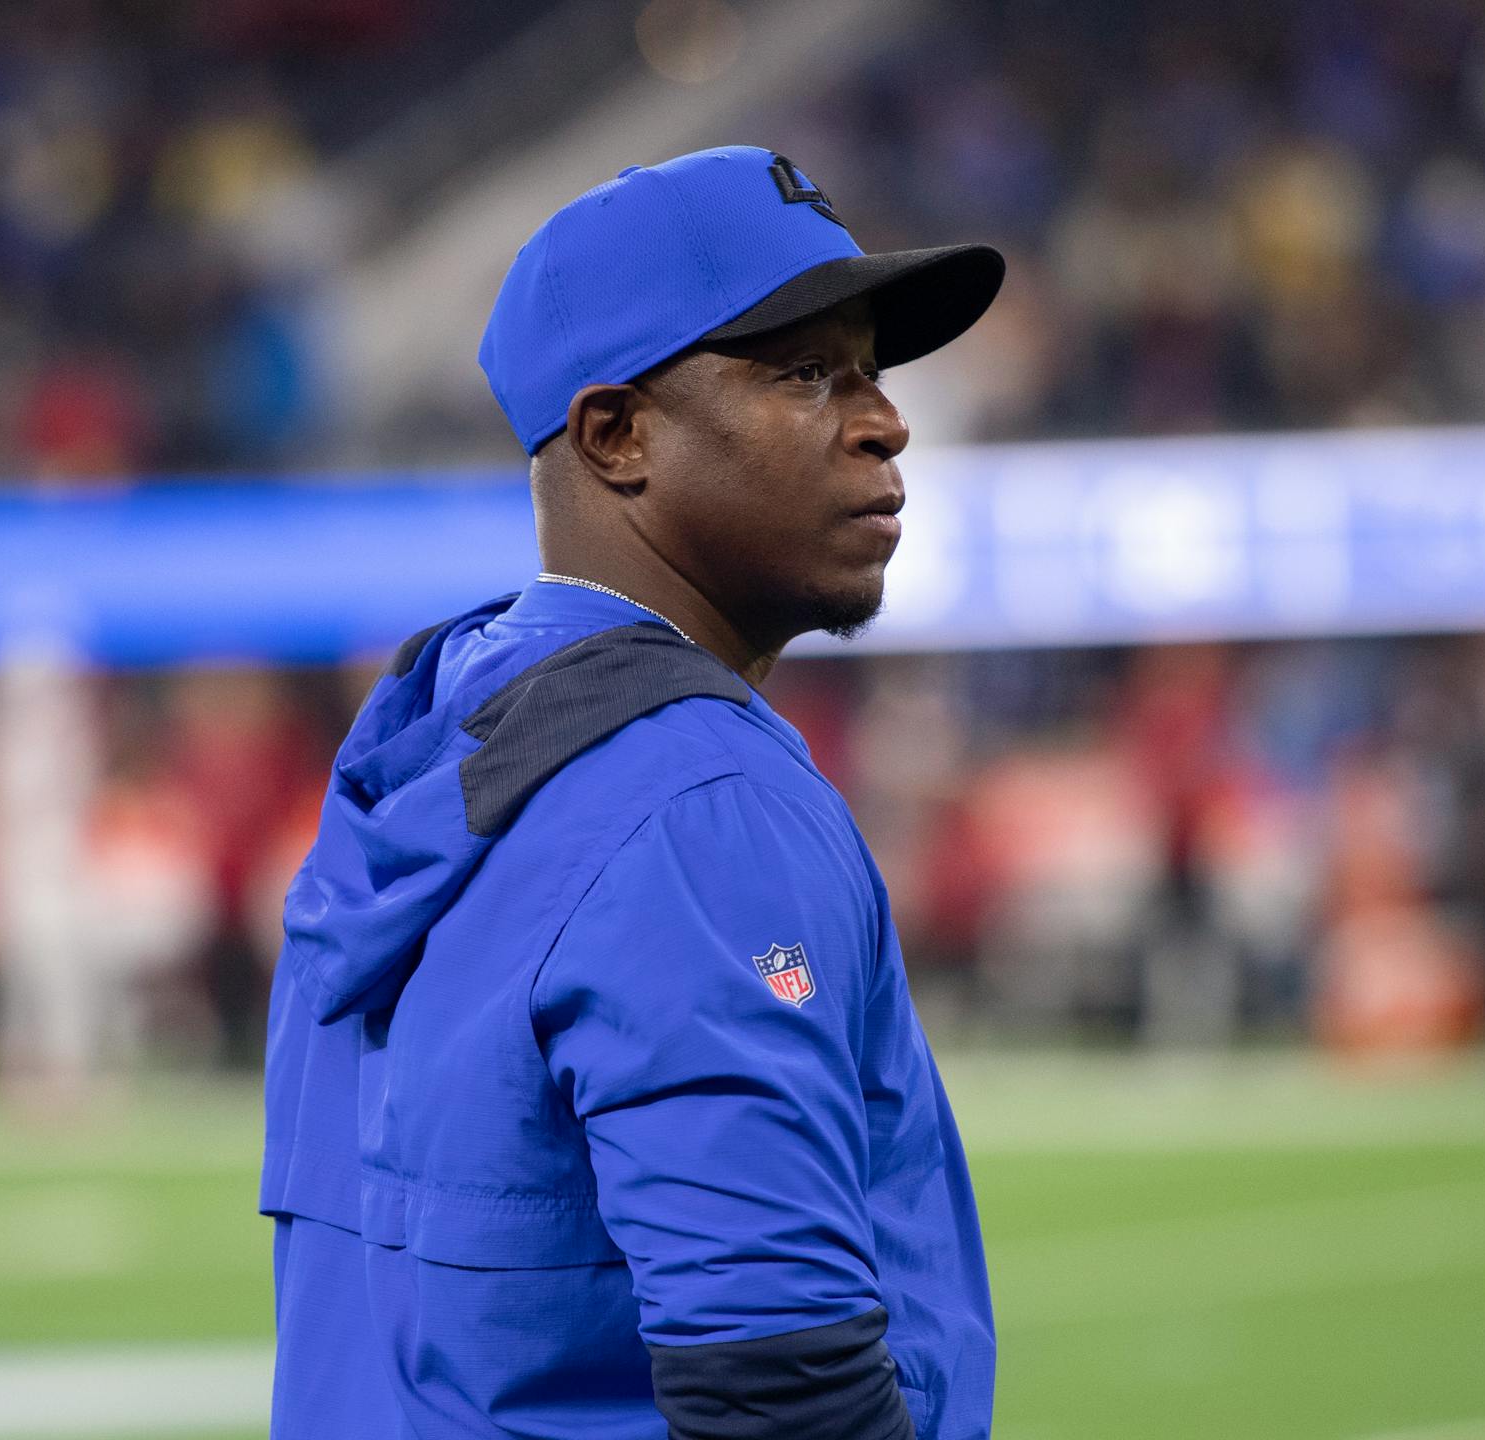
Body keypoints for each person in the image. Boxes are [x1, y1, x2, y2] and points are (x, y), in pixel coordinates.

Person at [259, 146, 1003, 1439]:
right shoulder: (698, 800)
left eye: (872, 369)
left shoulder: (425, 744)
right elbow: (779, 1385)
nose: (883, 418)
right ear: (616, 436)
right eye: (801, 371)